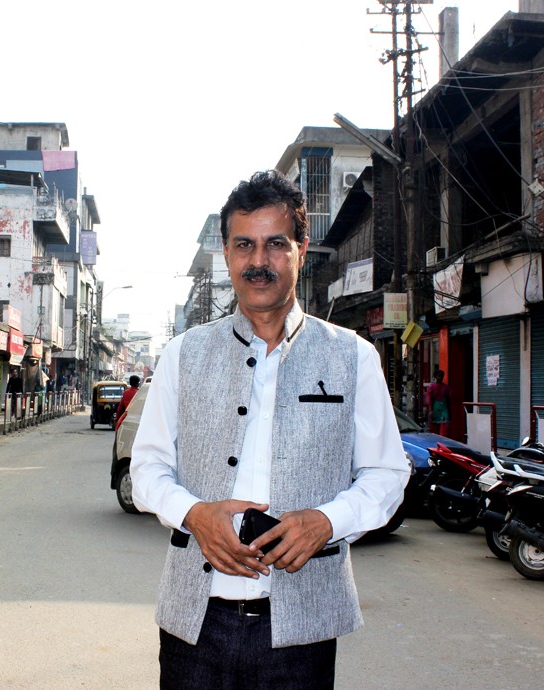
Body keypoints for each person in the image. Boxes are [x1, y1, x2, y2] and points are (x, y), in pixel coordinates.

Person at [130, 170, 410, 689]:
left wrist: (327, 520)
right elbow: (145, 469)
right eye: (244, 246)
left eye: (275, 244)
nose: (259, 262)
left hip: (301, 633)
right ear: (227, 254)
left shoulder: (352, 356)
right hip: (195, 626)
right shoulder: (183, 355)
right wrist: (193, 514)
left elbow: (387, 473)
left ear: (301, 249)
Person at [426, 369, 451, 437]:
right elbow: (429, 399)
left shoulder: (446, 387)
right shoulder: (431, 387)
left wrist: (449, 410)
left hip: (444, 407)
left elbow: (448, 398)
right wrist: (430, 410)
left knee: (445, 426)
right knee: (434, 426)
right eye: (439, 376)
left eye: (442, 376)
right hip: (435, 407)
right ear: (435, 377)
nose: (440, 378)